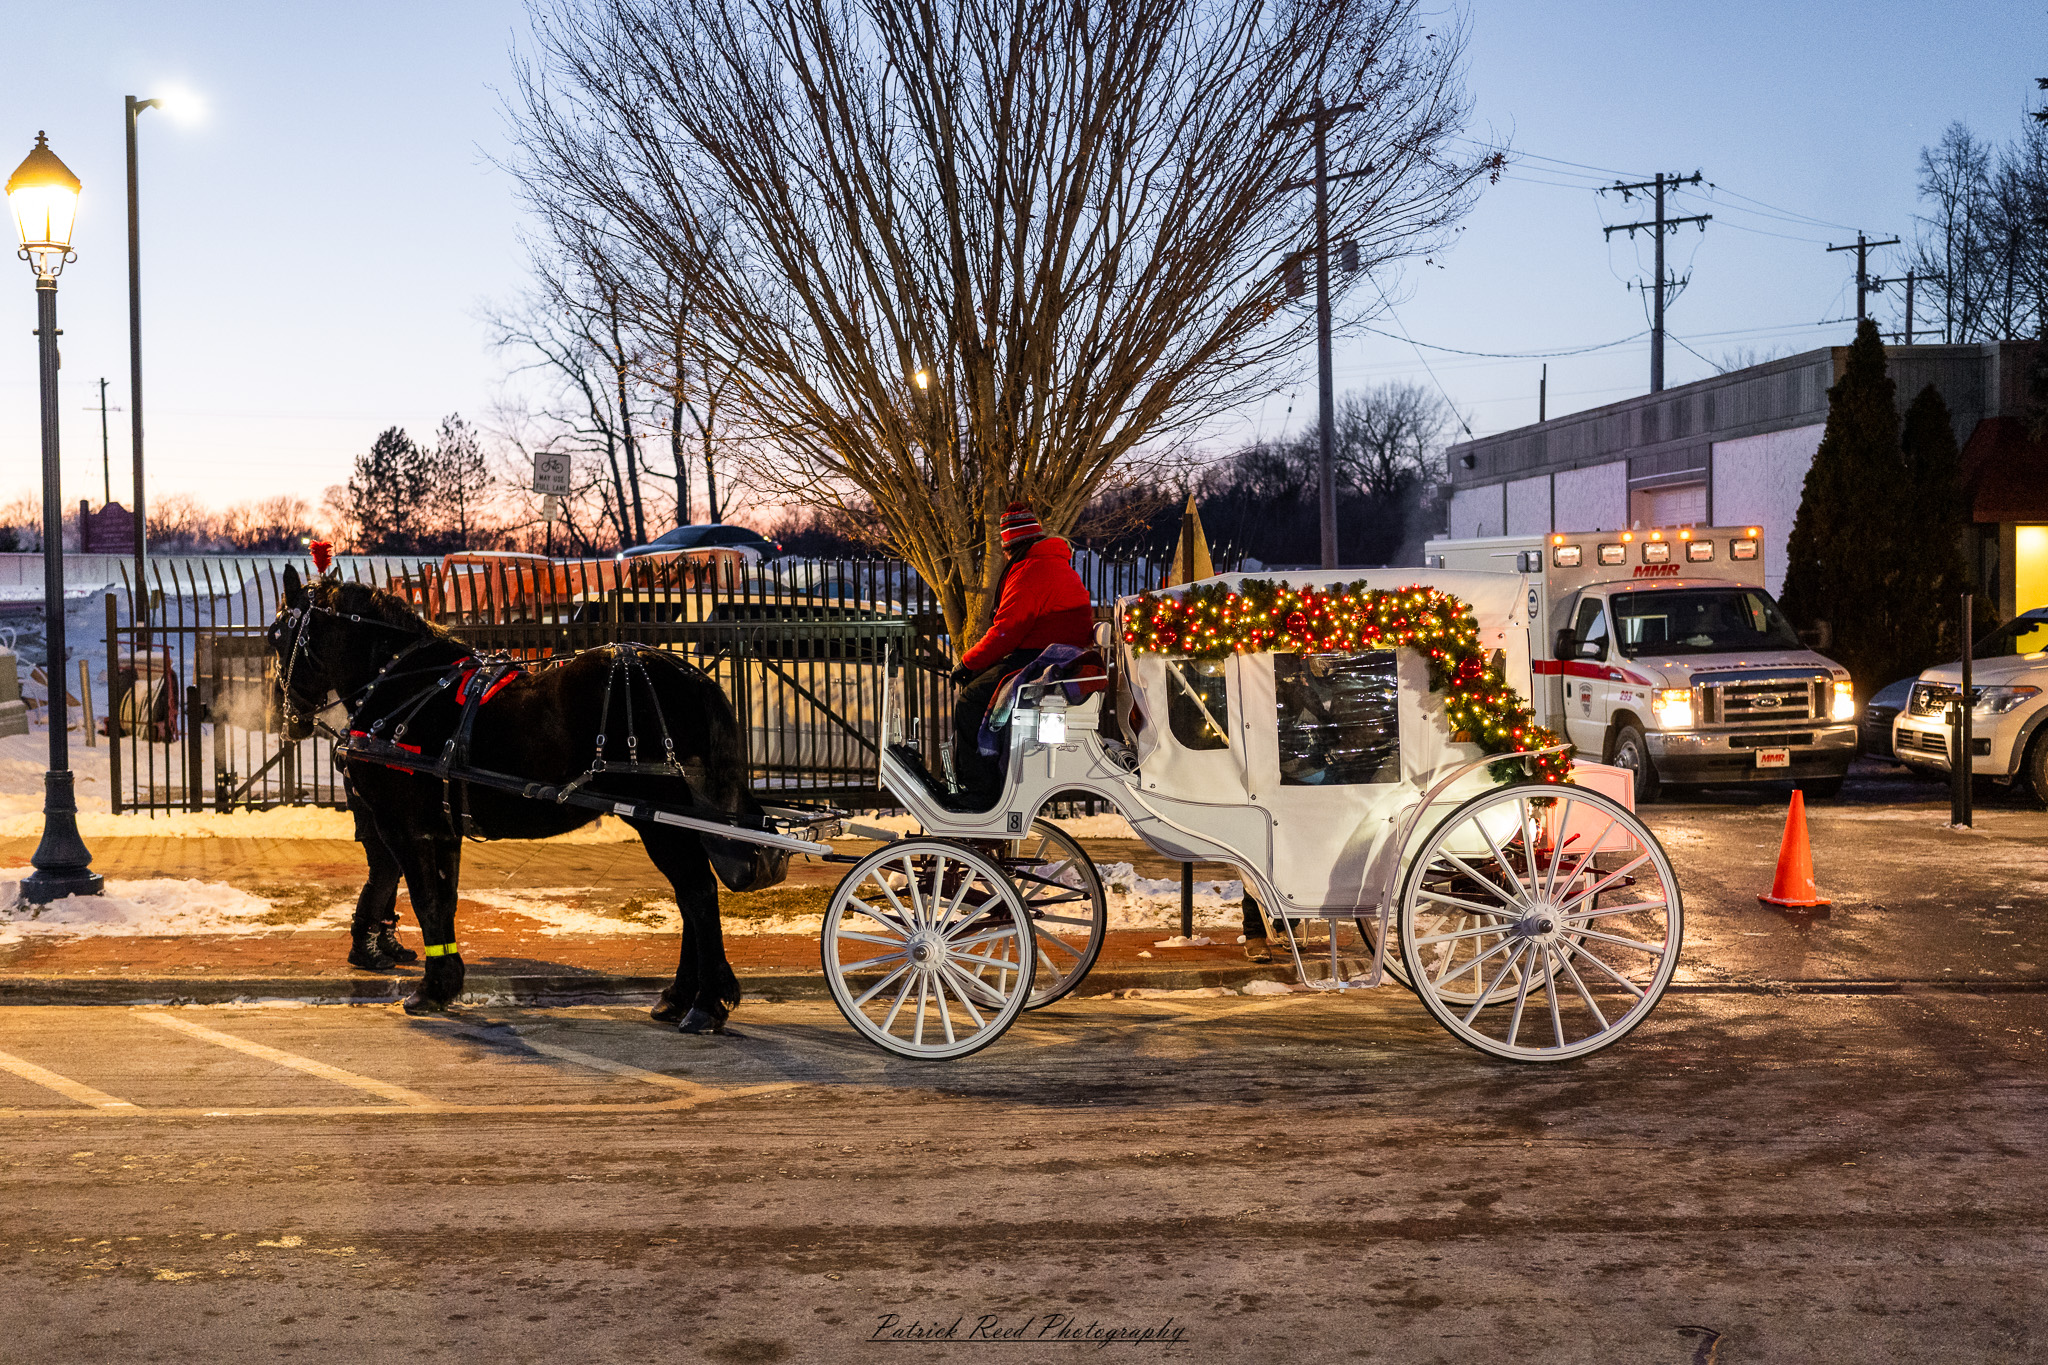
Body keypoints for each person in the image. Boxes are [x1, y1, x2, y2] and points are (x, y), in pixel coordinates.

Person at [948, 501, 1094, 804]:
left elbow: (1006, 630)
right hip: (1060, 654)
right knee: (981, 690)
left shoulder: (1031, 570)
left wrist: (967, 663)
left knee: (970, 701)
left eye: (1004, 547)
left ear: (1011, 545)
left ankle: (980, 790)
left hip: (1043, 657)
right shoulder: (1052, 563)